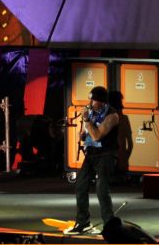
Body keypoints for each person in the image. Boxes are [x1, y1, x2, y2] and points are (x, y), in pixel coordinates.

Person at [65, 86, 119, 235]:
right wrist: (83, 134)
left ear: (102, 101)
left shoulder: (112, 115)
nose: (90, 103)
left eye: (93, 100)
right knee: (80, 186)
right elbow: (87, 132)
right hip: (91, 154)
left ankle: (109, 225)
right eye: (90, 99)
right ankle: (83, 223)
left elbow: (97, 136)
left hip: (106, 154)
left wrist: (87, 119)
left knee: (101, 189)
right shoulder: (92, 112)